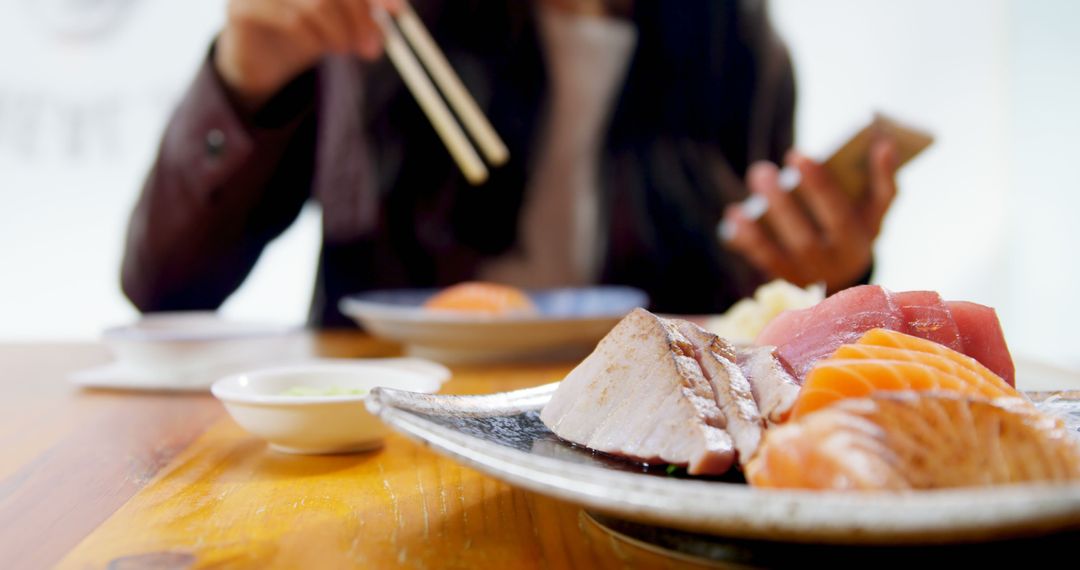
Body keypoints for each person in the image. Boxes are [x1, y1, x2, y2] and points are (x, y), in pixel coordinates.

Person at [121, 0, 898, 328]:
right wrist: (247, 68)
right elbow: (164, 288)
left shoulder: (734, 44)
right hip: (387, 426)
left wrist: (835, 274)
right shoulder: (378, 23)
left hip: (637, 455)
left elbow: (746, 319)